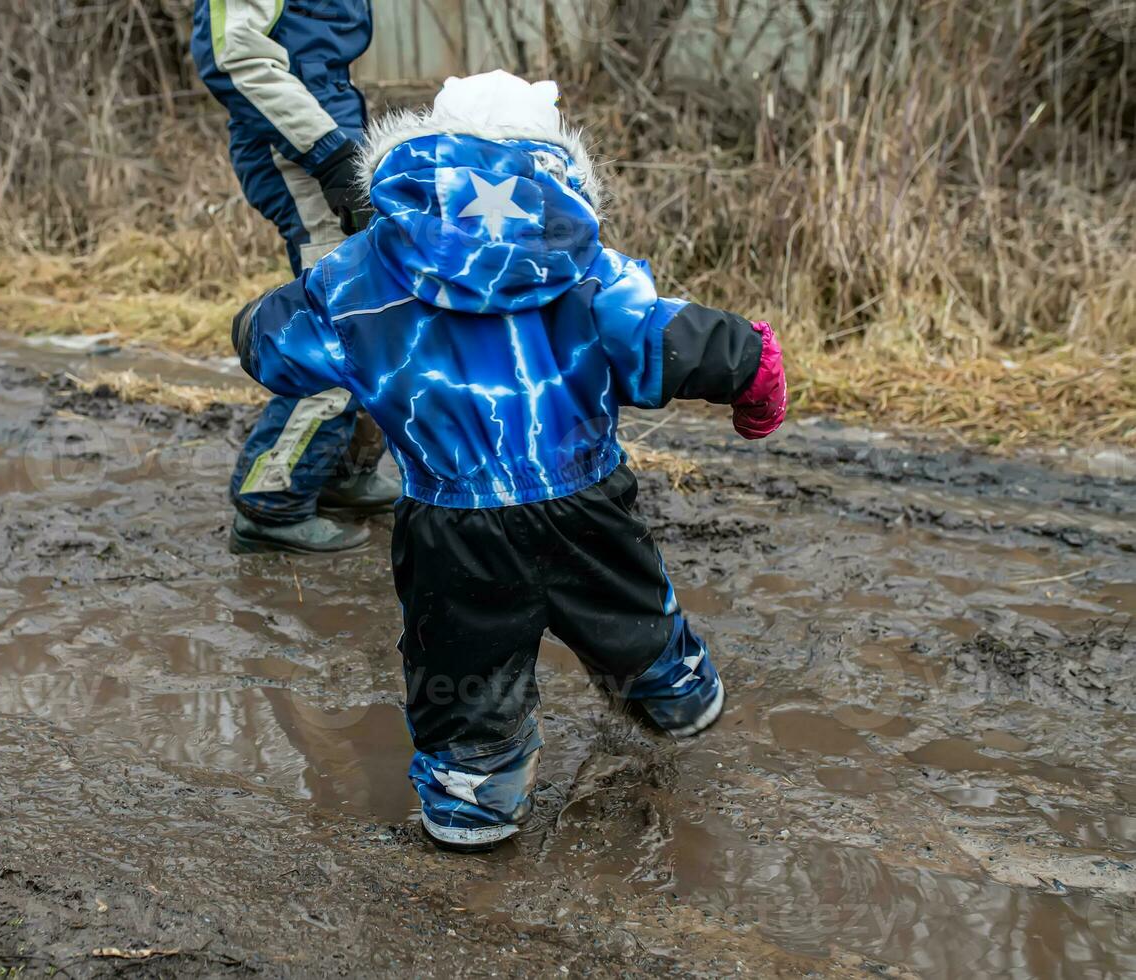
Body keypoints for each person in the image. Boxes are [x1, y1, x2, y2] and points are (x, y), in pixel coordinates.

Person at [230, 70, 788, 852]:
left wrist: (252, 321)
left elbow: (279, 349)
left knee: (460, 656)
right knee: (626, 606)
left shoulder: (362, 272)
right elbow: (663, 339)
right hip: (586, 498)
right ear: (552, 163)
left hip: (450, 518)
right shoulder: (588, 267)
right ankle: (674, 689)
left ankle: (475, 791)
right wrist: (751, 369)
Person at [190, 0, 399, 554]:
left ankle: (334, 473)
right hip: (300, 152)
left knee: (375, 310)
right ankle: (271, 498)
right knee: (341, 326)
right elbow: (233, 54)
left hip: (333, 138)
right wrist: (327, 151)